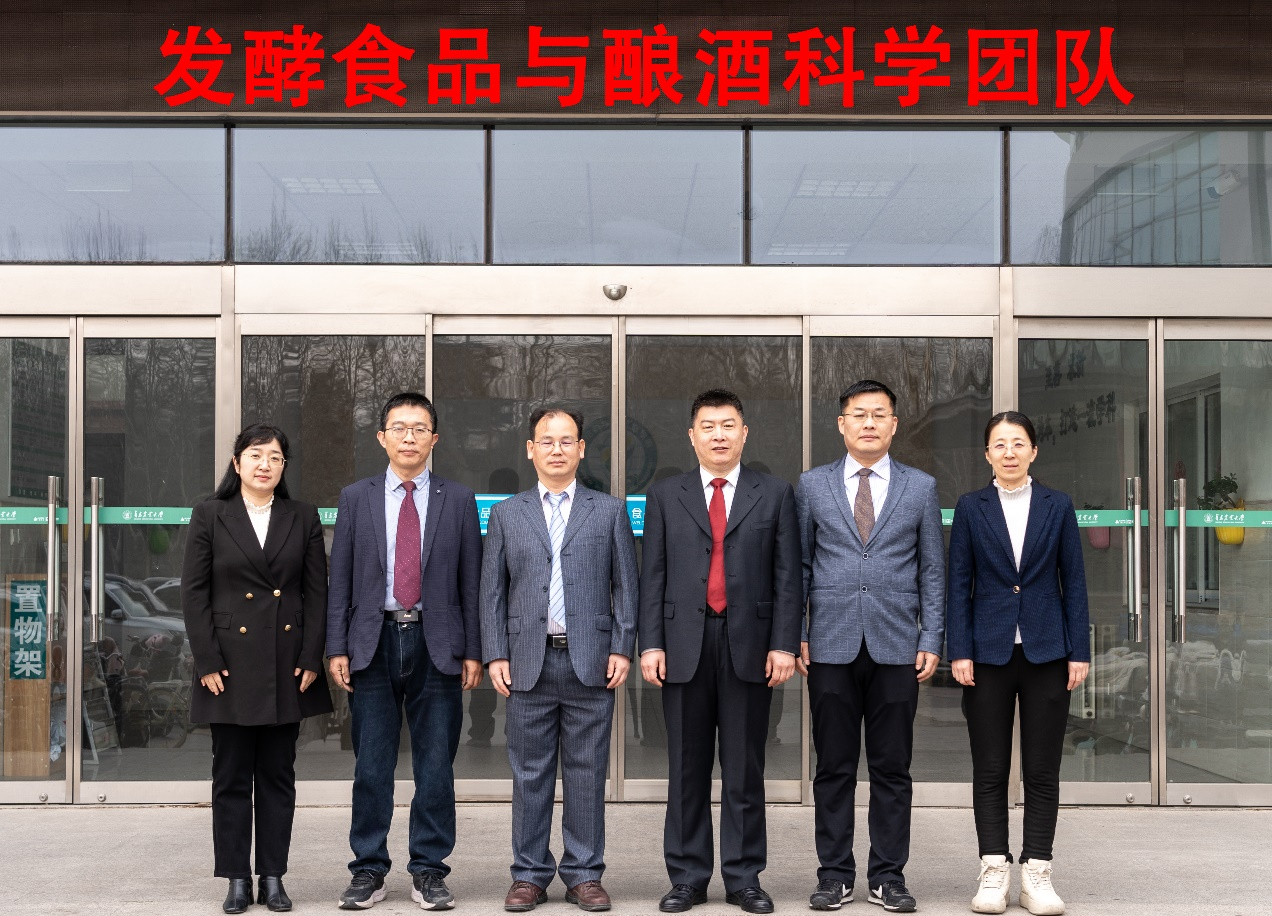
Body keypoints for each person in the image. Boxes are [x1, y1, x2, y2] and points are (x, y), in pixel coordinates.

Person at [639, 389, 801, 916]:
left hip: (749, 645)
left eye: (728, 425)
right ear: (692, 436)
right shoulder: (666, 495)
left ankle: (744, 877)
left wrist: (783, 643)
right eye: (708, 426)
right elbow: (652, 575)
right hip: (682, 644)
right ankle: (687, 877)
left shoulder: (774, 493)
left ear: (744, 433)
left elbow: (788, 577)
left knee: (744, 768)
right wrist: (650, 643)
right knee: (686, 769)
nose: (718, 435)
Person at [326, 392, 483, 911]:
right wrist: (337, 646)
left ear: (434, 439)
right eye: (399, 428)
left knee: (435, 766)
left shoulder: (458, 499)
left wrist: (473, 649)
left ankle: (429, 870)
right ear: (382, 437)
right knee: (372, 766)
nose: (409, 437)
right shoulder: (356, 497)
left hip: (439, 644)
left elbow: (471, 580)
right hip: (372, 643)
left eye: (419, 429)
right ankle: (368, 869)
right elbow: (340, 578)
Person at [795, 379, 945, 914]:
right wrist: (799, 634)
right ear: (841, 424)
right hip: (830, 645)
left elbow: (932, 569)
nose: (869, 423)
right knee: (833, 768)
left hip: (897, 645)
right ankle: (834, 875)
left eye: (879, 414)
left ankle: (888, 876)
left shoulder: (920, 487)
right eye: (859, 414)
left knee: (892, 769)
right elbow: (800, 567)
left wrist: (932, 635)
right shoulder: (811, 485)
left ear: (894, 424)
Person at [480, 407, 639, 913]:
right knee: (530, 774)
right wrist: (495, 653)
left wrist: (622, 646)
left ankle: (584, 874)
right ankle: (528, 875)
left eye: (566, 440)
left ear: (581, 449)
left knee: (587, 773)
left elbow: (626, 587)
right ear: (530, 449)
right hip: (527, 662)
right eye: (546, 441)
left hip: (590, 660)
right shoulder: (507, 514)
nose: (556, 449)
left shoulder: (608, 511)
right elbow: (492, 592)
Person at [182, 423, 332, 914]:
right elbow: (194, 593)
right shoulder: (210, 514)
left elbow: (316, 593)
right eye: (255, 455)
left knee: (277, 776)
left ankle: (272, 876)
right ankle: (236, 878)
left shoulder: (302, 516)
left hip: (285, 662)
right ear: (237, 463)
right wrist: (206, 659)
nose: (265, 464)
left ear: (284, 466)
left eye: (275, 457)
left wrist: (311, 656)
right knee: (229, 776)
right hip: (227, 666)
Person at [946, 411, 1090, 916]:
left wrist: (1079, 650)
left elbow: (1074, 580)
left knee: (1042, 769)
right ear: (987, 454)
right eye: (999, 444)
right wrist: (959, 649)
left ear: (1033, 451)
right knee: (989, 767)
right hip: (986, 653)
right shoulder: (971, 507)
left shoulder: (1057, 505)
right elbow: (958, 582)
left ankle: (1037, 871)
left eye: (1018, 443)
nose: (1009, 452)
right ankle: (993, 868)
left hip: (1048, 651)